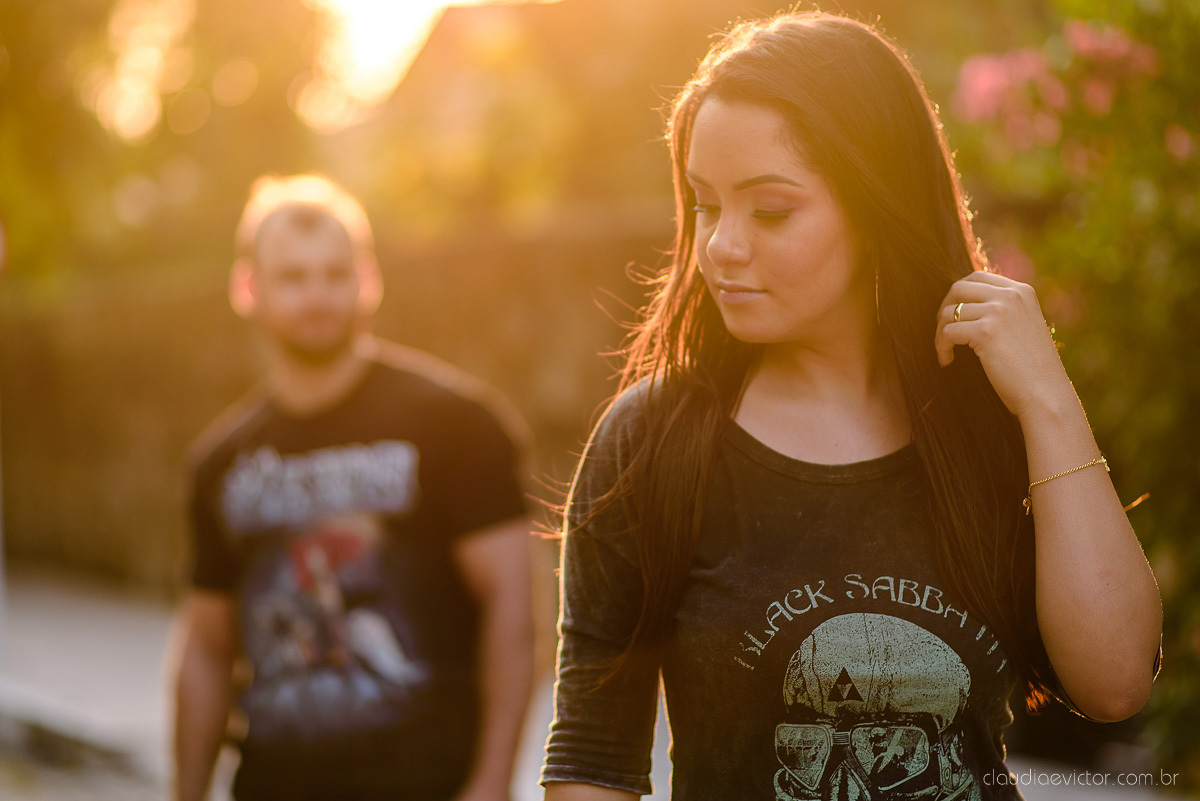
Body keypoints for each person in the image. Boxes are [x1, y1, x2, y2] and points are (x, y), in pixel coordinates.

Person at [541, 12, 1161, 801]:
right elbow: (591, 765)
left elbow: (1115, 684)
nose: (723, 246)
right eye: (704, 203)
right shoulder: (653, 443)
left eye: (770, 211)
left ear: (875, 206)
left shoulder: (993, 421)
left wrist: (1047, 395)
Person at [171, 174, 534, 801]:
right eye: (293, 277)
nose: (318, 296)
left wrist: (492, 783)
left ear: (369, 281)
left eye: (336, 274)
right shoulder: (220, 463)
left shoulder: (458, 424)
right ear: (247, 288)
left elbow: (516, 613)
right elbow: (206, 648)